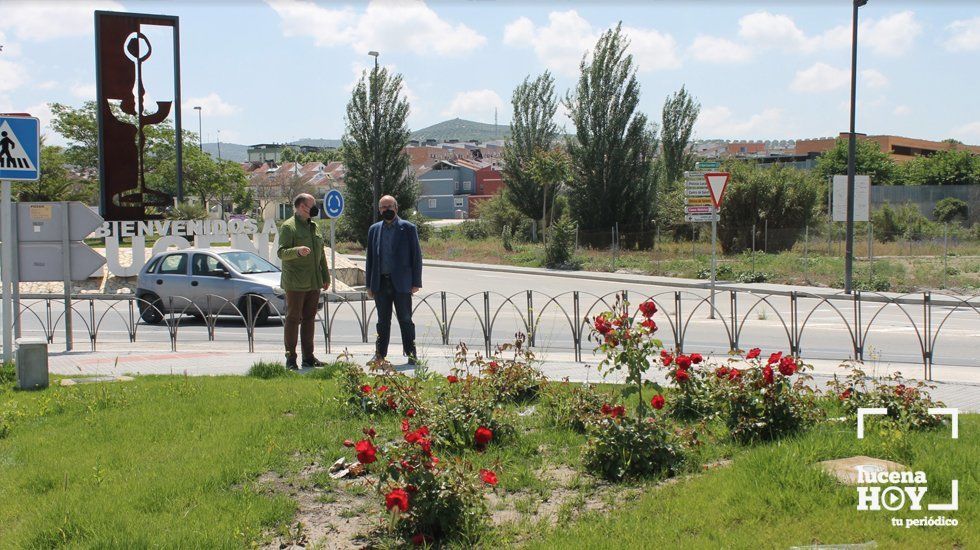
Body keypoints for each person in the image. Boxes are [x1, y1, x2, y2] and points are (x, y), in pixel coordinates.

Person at [365, 195, 422, 365]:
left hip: (402, 283)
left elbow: (416, 256)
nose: (386, 210)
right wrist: (369, 284)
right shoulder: (374, 229)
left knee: (405, 319)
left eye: (389, 206)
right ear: (379, 210)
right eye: (383, 207)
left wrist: (416, 282)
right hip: (380, 283)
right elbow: (370, 259)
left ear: (396, 208)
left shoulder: (408, 228)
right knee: (382, 321)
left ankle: (411, 354)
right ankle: (380, 355)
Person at [277, 193, 330, 369]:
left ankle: (308, 357)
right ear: (301, 207)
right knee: (293, 319)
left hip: (313, 281)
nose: (315, 208)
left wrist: (325, 276)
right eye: (311, 204)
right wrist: (297, 251)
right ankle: (290, 358)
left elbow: (321, 253)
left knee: (309, 319)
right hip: (295, 282)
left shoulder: (314, 226)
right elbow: (281, 253)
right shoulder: (288, 227)